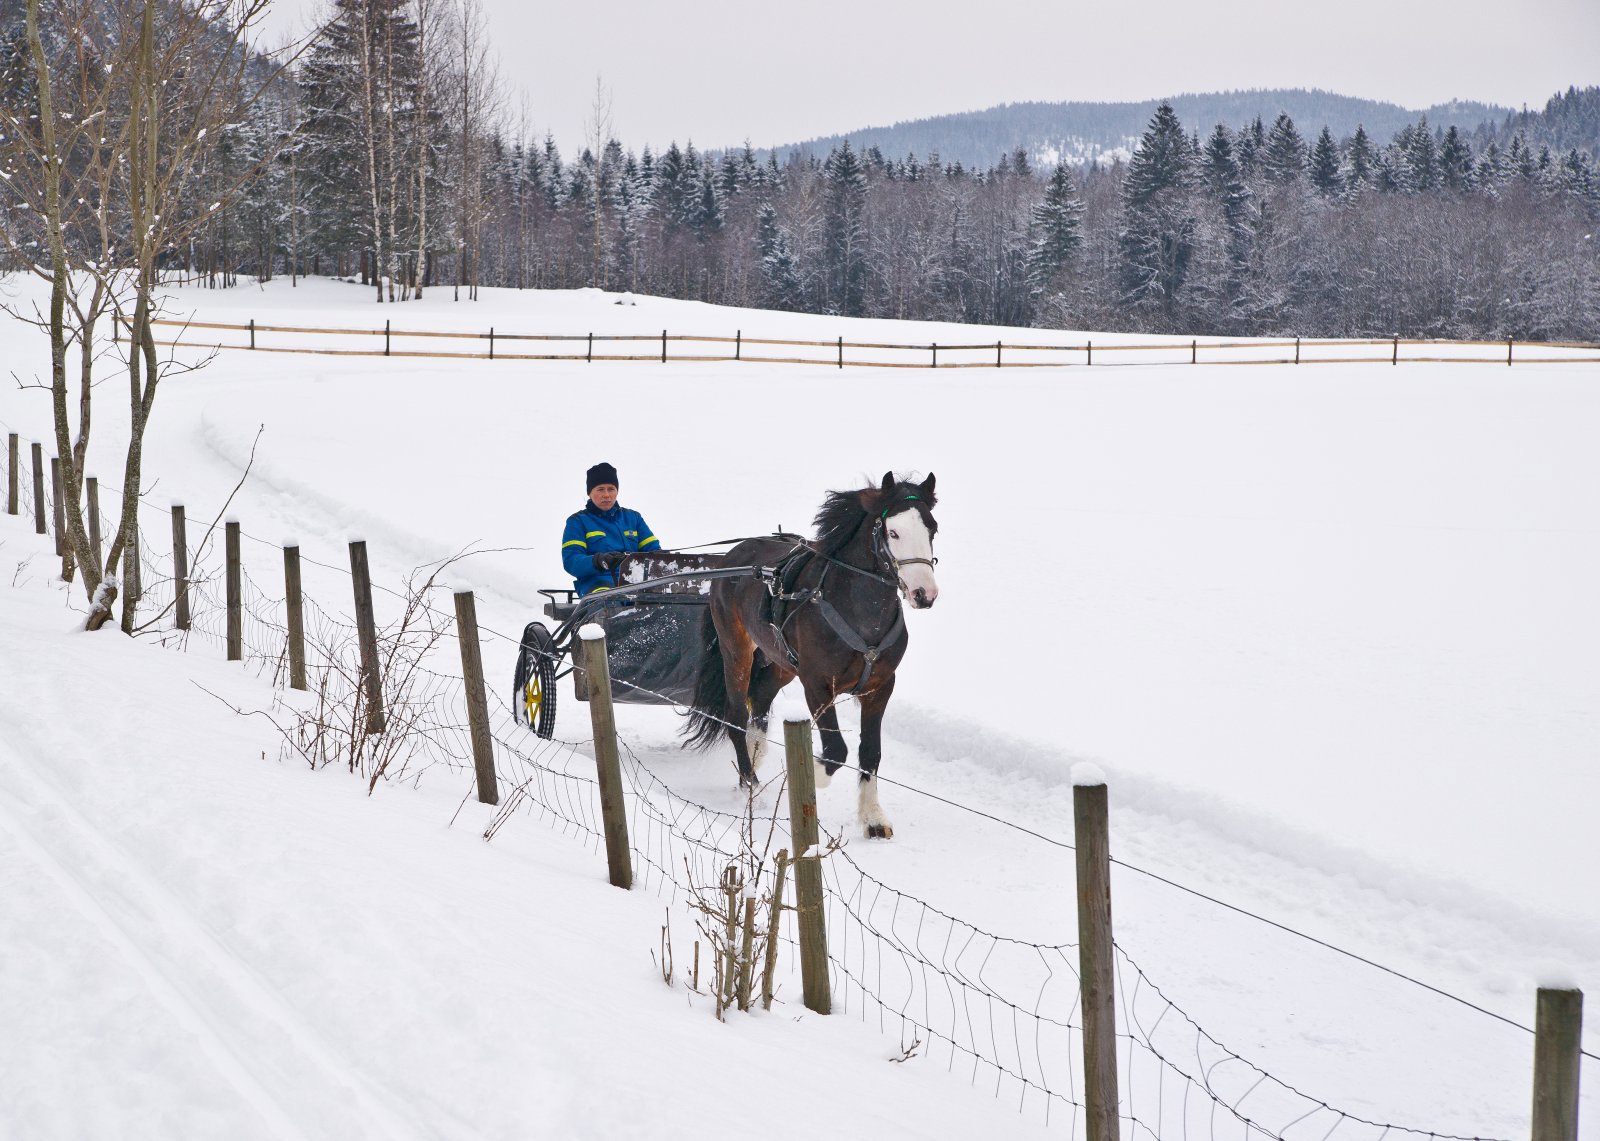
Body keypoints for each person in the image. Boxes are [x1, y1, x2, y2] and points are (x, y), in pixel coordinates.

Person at [561, 462, 661, 596]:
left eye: (611, 489)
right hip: (596, 583)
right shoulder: (577, 522)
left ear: (617, 491)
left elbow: (654, 551)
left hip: (637, 583)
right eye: (600, 489)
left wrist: (665, 557)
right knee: (608, 601)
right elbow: (571, 561)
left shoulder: (633, 518)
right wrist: (598, 561)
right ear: (590, 492)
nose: (606, 495)